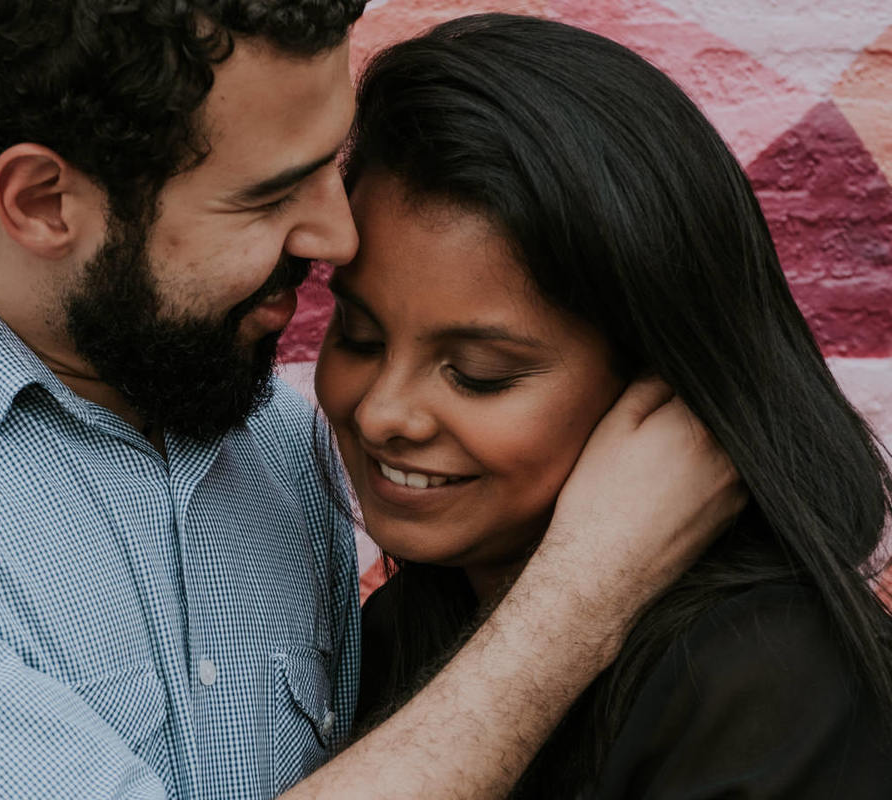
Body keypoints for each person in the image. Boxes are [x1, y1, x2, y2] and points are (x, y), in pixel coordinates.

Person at [0, 4, 742, 799]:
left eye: (328, 166)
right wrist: (585, 591)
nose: (335, 237)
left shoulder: (276, 436)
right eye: (270, 195)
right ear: (45, 202)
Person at [316, 13, 892, 798]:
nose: (385, 412)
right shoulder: (391, 638)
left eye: (479, 373)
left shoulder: (775, 681)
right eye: (357, 334)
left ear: (657, 387)